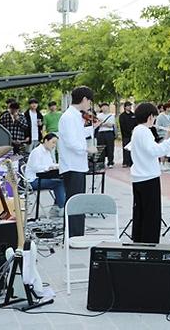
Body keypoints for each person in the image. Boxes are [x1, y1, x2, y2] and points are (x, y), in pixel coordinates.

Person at [130, 102, 170, 243]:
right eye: (154, 117)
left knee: (141, 213)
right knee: (151, 215)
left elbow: (152, 148)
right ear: (150, 117)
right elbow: (155, 151)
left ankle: (139, 241)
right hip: (148, 177)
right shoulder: (144, 131)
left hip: (139, 177)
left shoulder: (137, 130)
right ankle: (149, 243)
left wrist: (167, 137)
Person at [58, 86, 100, 237]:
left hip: (78, 164)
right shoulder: (69, 117)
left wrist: (92, 128)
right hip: (72, 165)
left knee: (79, 201)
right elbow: (70, 142)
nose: (89, 105)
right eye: (89, 101)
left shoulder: (76, 116)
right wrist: (87, 149)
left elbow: (78, 135)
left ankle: (77, 234)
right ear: (84, 100)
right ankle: (73, 236)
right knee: (74, 202)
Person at [25, 133, 65, 217]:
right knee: (58, 183)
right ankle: (62, 207)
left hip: (43, 178)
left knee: (63, 180)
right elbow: (36, 168)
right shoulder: (36, 151)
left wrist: (56, 166)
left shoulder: (47, 152)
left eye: (55, 143)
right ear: (46, 141)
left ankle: (58, 206)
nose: (54, 145)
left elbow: (51, 164)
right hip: (33, 181)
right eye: (53, 142)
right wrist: (48, 168)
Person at [96, 102, 117, 168]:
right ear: (101, 108)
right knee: (101, 148)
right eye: (103, 107)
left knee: (110, 148)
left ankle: (110, 162)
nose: (104, 108)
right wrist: (105, 123)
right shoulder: (98, 115)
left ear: (108, 107)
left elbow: (111, 125)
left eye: (106, 106)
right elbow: (97, 124)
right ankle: (101, 162)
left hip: (109, 133)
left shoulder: (111, 115)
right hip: (101, 133)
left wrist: (102, 123)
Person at [155, 102, 170, 171]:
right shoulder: (160, 116)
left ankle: (166, 162)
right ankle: (161, 164)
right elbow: (157, 127)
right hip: (162, 135)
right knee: (163, 149)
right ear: (165, 108)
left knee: (168, 150)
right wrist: (165, 128)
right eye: (169, 108)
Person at [119, 102, 137, 167]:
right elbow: (122, 126)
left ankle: (132, 162)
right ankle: (125, 162)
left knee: (133, 149)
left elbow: (136, 124)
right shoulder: (122, 116)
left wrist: (134, 131)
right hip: (125, 135)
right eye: (128, 106)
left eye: (130, 106)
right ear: (125, 107)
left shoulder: (133, 115)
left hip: (133, 135)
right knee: (126, 149)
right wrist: (128, 131)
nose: (129, 107)